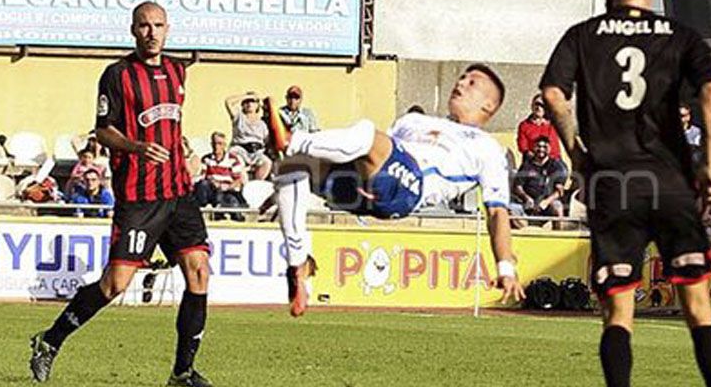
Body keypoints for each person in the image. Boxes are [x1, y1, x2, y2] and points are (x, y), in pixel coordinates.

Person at [540, 0, 711, 387]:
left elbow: (555, 95)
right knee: (698, 307)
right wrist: (710, 163)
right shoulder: (680, 36)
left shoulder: (583, 36)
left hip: (613, 184)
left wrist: (578, 154)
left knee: (619, 314)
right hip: (670, 182)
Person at [29, 1, 214, 387]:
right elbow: (102, 131)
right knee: (115, 284)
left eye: (158, 25)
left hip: (178, 190)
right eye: (144, 26)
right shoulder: (117, 75)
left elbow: (170, 122)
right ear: (133, 30)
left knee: (199, 272)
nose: (152, 32)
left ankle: (182, 370)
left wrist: (184, 152)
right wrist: (136, 147)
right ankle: (49, 341)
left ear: (168, 29)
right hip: (139, 195)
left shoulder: (178, 71)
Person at [265, 63, 525, 316]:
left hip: (408, 190)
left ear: (488, 104)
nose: (460, 83)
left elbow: (497, 212)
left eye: (472, 83)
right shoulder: (414, 121)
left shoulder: (487, 148)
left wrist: (505, 268)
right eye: (462, 78)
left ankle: (293, 139)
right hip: (363, 185)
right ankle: (298, 264)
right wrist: (282, 193)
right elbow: (366, 149)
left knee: (367, 132)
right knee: (292, 167)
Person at [194, 131, 247, 222]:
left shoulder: (233, 159)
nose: (216, 146)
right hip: (211, 189)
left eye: (219, 144)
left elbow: (238, 180)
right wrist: (211, 180)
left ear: (224, 145)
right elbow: (203, 175)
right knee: (202, 185)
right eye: (214, 143)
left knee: (231, 201)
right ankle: (200, 211)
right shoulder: (206, 159)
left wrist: (226, 187)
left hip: (226, 191)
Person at [513, 136, 567, 222]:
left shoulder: (556, 166)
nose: (541, 149)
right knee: (512, 210)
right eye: (538, 146)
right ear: (534, 148)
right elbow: (517, 187)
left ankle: (559, 233)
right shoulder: (526, 166)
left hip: (548, 203)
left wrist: (546, 202)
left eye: (544, 147)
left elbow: (559, 191)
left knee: (558, 208)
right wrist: (526, 198)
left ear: (549, 148)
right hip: (528, 203)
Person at [225, 91, 272, 180]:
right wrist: (246, 96)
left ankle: (256, 184)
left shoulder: (262, 124)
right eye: (246, 101)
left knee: (267, 163)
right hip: (240, 150)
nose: (249, 103)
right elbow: (228, 102)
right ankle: (244, 186)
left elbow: (266, 141)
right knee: (238, 164)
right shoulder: (239, 117)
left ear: (257, 105)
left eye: (252, 101)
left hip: (257, 152)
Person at [516, 93, 562, 161]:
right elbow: (523, 146)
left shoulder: (553, 124)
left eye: (542, 105)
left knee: (562, 170)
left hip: (553, 160)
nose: (539, 108)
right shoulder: (524, 125)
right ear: (532, 106)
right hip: (533, 160)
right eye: (537, 104)